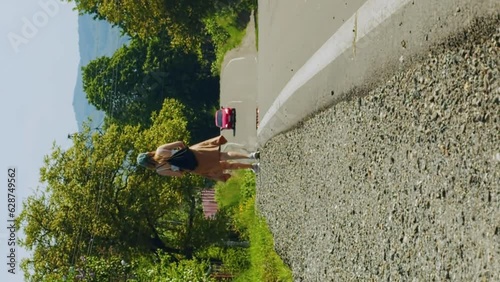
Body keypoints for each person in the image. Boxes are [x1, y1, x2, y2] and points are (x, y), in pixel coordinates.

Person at [136, 135, 259, 182]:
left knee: (225, 165)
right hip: (195, 152)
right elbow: (179, 143)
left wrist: (183, 167)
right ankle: (250, 156)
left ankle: (252, 167)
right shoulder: (160, 150)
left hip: (196, 167)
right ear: (148, 154)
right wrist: (186, 151)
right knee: (223, 155)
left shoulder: (160, 171)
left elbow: (179, 175)